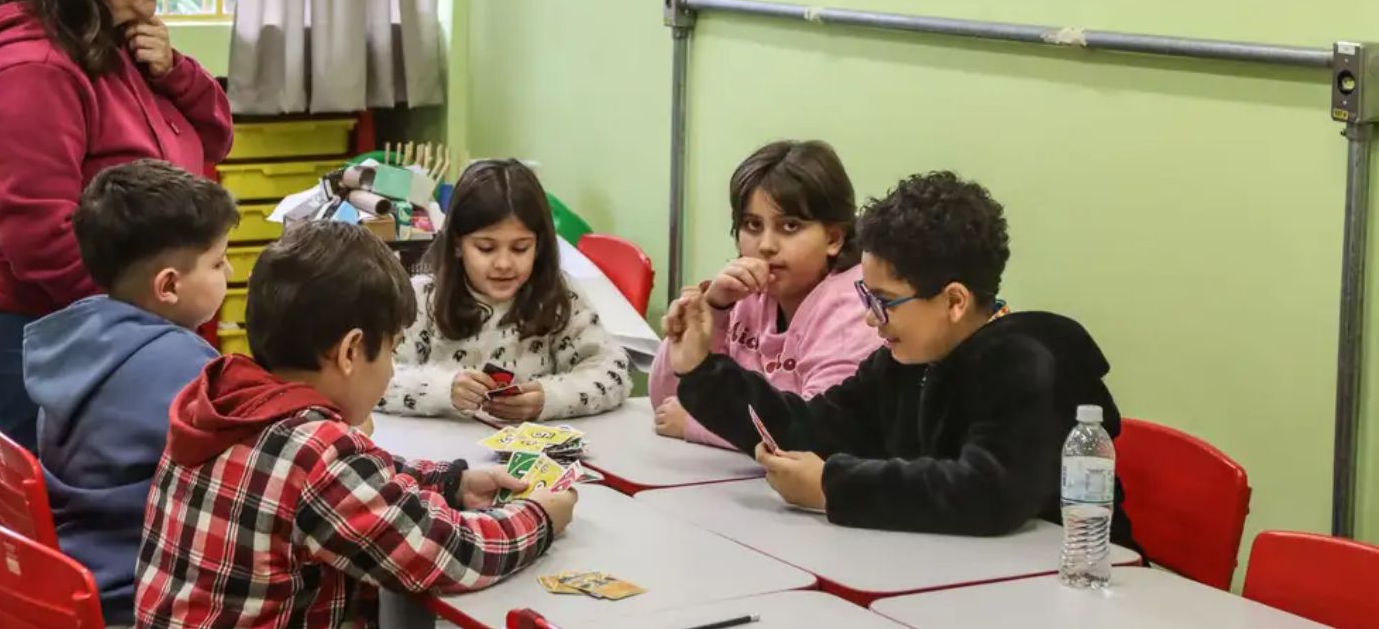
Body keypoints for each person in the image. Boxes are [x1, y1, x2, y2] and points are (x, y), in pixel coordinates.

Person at [135, 221, 575, 628]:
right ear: (350, 352)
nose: (390, 369)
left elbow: (357, 478)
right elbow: (446, 552)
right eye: (391, 350)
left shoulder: (224, 399)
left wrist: (452, 483)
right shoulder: (316, 455)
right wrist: (539, 518)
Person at [667, 171, 1135, 544]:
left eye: (885, 301)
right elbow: (810, 428)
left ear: (954, 301)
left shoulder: (1029, 362)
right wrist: (700, 370)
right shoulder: (900, 363)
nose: (870, 319)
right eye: (865, 296)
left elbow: (988, 491)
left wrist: (833, 486)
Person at [0, 0, 233, 452]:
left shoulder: (118, 39)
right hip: (41, 326)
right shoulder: (33, 69)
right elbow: (42, 241)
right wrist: (153, 308)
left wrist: (175, 71)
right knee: (103, 493)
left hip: (125, 317)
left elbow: (213, 139)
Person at [21, 160, 236, 625]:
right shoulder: (188, 368)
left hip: (76, 569)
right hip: (139, 586)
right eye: (218, 262)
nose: (231, 270)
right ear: (169, 285)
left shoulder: (78, 335)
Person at [650, 141, 880, 448]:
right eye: (752, 225)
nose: (766, 245)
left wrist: (698, 424)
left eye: (790, 226)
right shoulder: (743, 292)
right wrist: (714, 310)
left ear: (833, 238)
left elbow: (817, 434)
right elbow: (666, 401)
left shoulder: (853, 307)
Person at [377, 159, 630, 422]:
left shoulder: (559, 297)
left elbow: (612, 373)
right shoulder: (422, 298)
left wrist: (550, 398)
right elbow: (368, 378)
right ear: (457, 244)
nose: (504, 264)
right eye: (486, 248)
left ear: (539, 246)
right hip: (438, 446)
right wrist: (443, 391)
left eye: (520, 248)